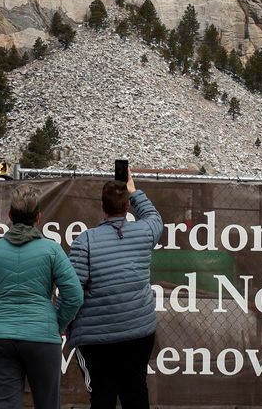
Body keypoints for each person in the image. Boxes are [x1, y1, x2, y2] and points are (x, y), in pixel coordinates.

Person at [0, 185, 83, 409]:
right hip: (43, 336)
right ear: (38, 217)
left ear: (10, 216)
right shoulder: (52, 251)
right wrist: (57, 324)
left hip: (1, 339)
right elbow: (74, 296)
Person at [67, 170, 164, 409]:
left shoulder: (85, 241)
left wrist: (61, 324)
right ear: (128, 207)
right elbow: (153, 216)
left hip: (95, 339)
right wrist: (134, 190)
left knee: (102, 395)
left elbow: (72, 291)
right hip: (138, 332)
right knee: (136, 393)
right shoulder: (144, 232)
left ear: (103, 207)